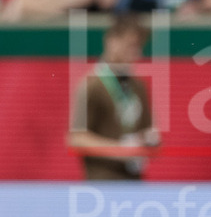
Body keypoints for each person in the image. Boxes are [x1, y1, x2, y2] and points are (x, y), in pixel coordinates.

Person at [68, 17, 158, 180]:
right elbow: (77, 138)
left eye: (138, 47)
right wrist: (120, 150)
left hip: (134, 181)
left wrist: (148, 141)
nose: (136, 53)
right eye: (130, 46)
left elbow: (149, 132)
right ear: (112, 41)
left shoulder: (138, 86)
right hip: (102, 183)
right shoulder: (91, 85)